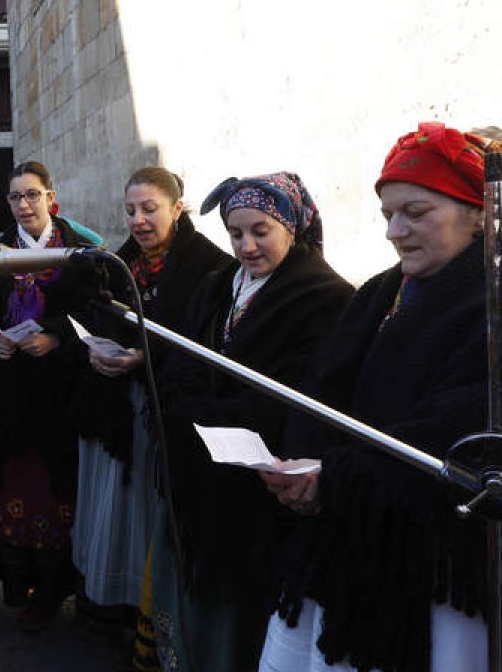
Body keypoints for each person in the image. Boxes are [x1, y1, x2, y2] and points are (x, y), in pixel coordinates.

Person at [259, 123, 502, 672]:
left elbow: (473, 450)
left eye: (415, 212)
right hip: (354, 550)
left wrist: (332, 481)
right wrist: (302, 465)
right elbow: (323, 389)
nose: (395, 230)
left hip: (446, 584)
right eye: (388, 214)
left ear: (483, 212)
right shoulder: (383, 292)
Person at [147, 172, 352, 672]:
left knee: (241, 615)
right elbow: (182, 358)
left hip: (254, 492)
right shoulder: (219, 285)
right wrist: (190, 405)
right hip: (196, 472)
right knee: (193, 600)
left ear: (291, 226)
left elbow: (299, 395)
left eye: (261, 230)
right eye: (236, 233)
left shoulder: (323, 297)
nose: (246, 245)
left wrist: (206, 413)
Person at [69, 167, 232, 641]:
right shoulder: (121, 262)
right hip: (119, 409)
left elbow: (205, 341)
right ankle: (115, 607)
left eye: (149, 209)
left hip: (164, 413)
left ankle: (153, 615)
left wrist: (146, 357)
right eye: (131, 211)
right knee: (117, 510)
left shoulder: (209, 266)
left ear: (177, 208)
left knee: (150, 511)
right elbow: (95, 312)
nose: (138, 221)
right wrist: (97, 347)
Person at [0, 160, 100, 630]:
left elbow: (96, 312)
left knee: (57, 495)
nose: (24, 205)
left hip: (60, 396)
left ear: (50, 197)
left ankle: (52, 590)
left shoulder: (80, 253)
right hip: (8, 395)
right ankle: (20, 584)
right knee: (13, 492)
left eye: (32, 195)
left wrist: (57, 336)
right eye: (15, 197)